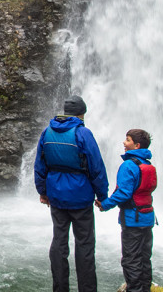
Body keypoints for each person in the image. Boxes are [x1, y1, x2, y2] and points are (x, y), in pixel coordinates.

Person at [34, 95, 109, 292]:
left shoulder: (47, 132)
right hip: (81, 197)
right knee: (84, 245)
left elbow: (40, 165)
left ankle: (60, 288)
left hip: (56, 196)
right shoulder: (83, 133)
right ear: (81, 113)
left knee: (59, 242)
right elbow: (96, 167)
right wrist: (102, 196)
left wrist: (43, 191)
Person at [95, 129, 157, 292]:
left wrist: (105, 204)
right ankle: (145, 289)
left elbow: (124, 192)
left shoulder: (129, 165)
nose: (124, 142)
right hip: (148, 218)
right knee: (144, 258)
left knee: (131, 260)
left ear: (136, 145)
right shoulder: (147, 165)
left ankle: (134, 290)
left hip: (133, 219)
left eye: (128, 140)